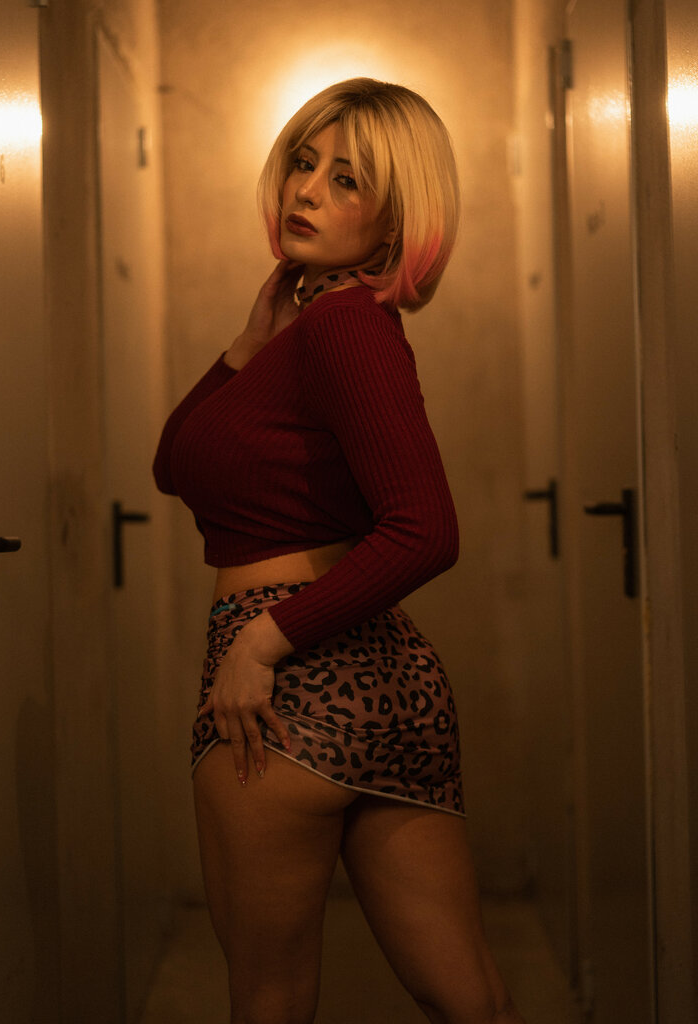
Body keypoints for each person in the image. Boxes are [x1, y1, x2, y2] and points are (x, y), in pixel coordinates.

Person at [153, 78, 525, 1024]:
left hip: (288, 679)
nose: (307, 191)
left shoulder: (347, 325)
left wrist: (262, 643)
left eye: (347, 179)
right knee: (469, 999)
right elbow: (172, 465)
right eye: (304, 163)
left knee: (268, 999)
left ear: (398, 222)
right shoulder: (308, 329)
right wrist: (246, 344)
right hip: (384, 678)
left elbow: (426, 529)